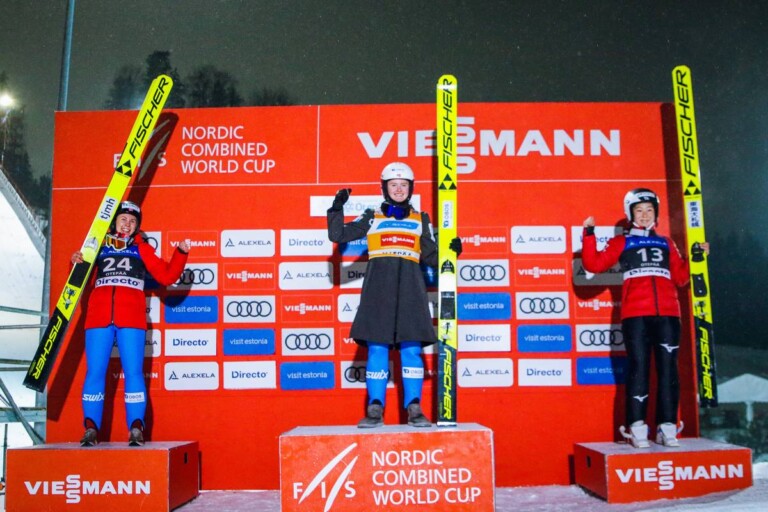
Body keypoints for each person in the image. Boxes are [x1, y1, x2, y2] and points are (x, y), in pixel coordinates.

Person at [327, 162, 462, 428]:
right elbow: (338, 234)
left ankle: (414, 408)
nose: (398, 189)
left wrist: (453, 251)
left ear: (410, 189)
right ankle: (375, 408)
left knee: (411, 349)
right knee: (377, 348)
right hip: (379, 290)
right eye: (393, 185)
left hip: (411, 290)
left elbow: (433, 258)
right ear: (384, 188)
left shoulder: (420, 219)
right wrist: (336, 208)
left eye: (403, 185)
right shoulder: (372, 215)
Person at [582, 188, 709, 448]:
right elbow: (594, 265)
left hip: (668, 315)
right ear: (630, 214)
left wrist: (696, 257)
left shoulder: (666, 243)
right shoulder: (622, 242)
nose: (644, 215)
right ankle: (638, 428)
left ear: (656, 213)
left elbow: (682, 278)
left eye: (649, 210)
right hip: (636, 314)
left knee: (668, 371)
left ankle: (667, 427)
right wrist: (589, 234)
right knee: (639, 369)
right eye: (638, 211)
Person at [73, 200, 189, 446]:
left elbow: (167, 275)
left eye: (133, 222)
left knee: (134, 372)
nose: (127, 224)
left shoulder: (141, 248)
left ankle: (136, 428)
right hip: (98, 317)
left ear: (137, 227)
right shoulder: (98, 244)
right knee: (95, 372)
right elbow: (79, 279)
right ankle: (91, 429)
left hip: (131, 318)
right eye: (123, 219)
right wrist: (76, 262)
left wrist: (181, 253)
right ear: (114, 221)